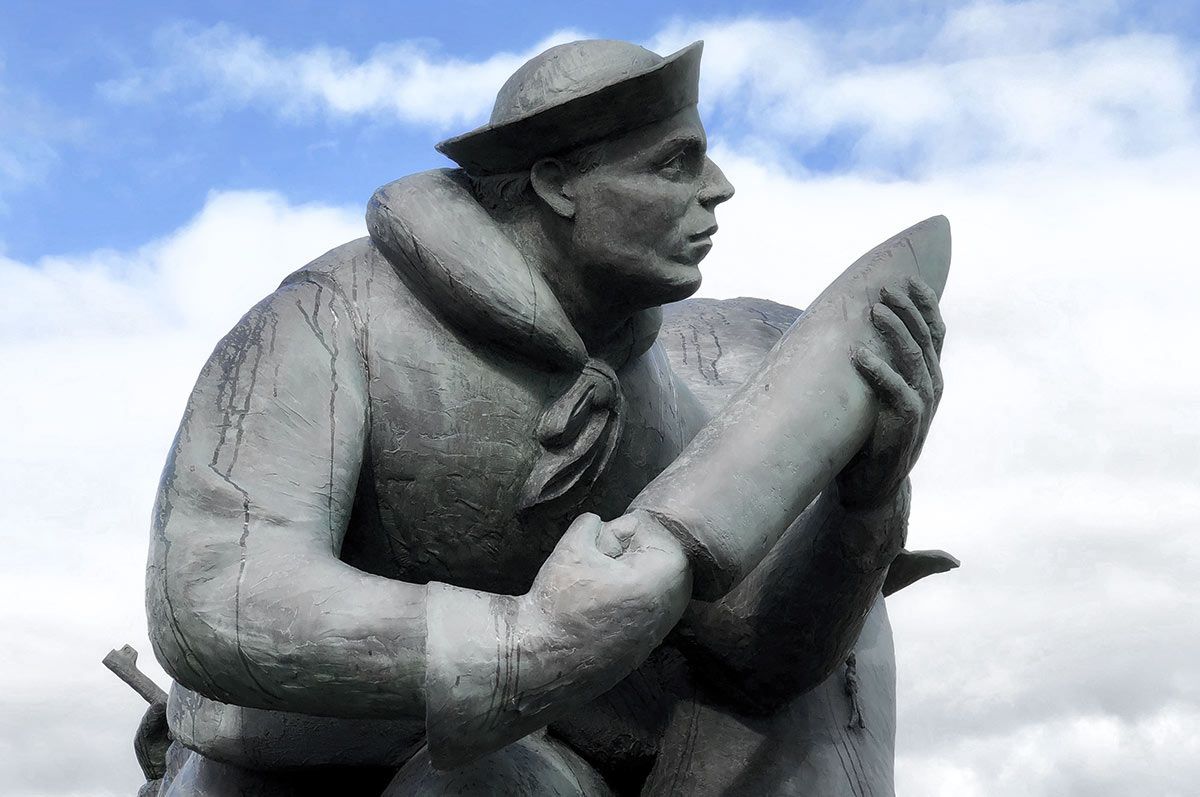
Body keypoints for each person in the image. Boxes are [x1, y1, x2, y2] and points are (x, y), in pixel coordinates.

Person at [142, 39, 951, 795]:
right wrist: (522, 642)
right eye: (675, 163)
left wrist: (867, 503)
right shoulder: (334, 316)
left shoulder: (649, 384)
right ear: (559, 184)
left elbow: (752, 660)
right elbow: (216, 590)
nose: (718, 188)